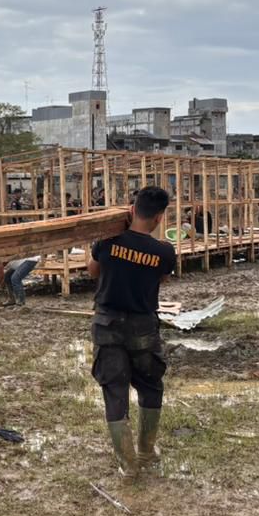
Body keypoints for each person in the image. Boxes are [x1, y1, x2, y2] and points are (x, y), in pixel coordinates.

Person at [87, 186, 177, 483]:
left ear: (131, 210)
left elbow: (92, 272)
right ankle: (146, 452)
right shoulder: (164, 251)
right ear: (160, 217)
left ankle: (127, 465)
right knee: (151, 387)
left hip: (106, 324)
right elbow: (161, 277)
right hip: (142, 327)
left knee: (115, 392)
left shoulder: (107, 241)